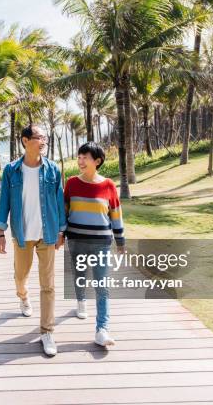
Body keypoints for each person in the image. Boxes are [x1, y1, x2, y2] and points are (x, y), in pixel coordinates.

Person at [0, 125, 66, 357]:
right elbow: (4, 201)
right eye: (38, 137)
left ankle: (47, 331)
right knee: (20, 275)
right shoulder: (11, 170)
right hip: (22, 235)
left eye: (44, 137)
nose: (43, 141)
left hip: (48, 234)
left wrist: (61, 231)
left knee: (48, 285)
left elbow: (59, 200)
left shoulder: (52, 169)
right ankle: (23, 297)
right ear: (26, 141)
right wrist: (1, 233)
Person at [64, 142, 126, 347]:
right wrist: (60, 234)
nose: (80, 161)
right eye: (79, 157)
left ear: (97, 161)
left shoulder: (108, 185)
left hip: (101, 242)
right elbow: (64, 212)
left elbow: (115, 214)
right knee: (79, 275)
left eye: (85, 157)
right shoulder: (71, 183)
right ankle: (81, 301)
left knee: (102, 285)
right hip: (76, 240)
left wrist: (120, 240)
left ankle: (102, 329)